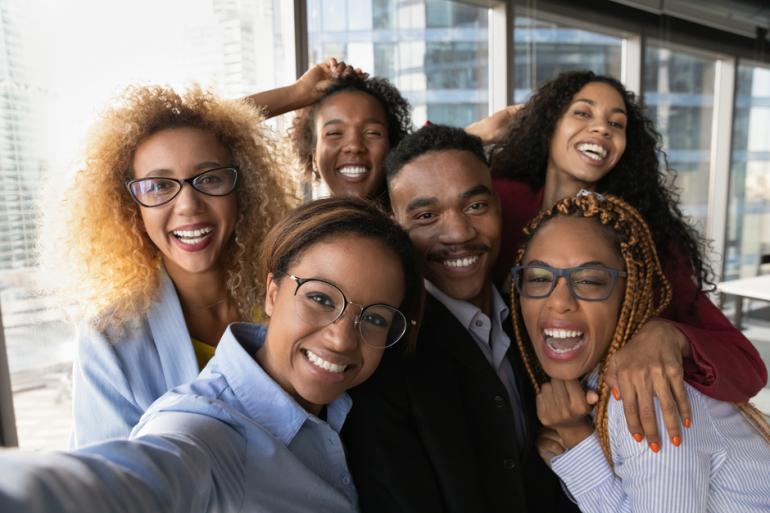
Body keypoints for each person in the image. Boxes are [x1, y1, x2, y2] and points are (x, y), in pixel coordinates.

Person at [0, 197, 424, 513]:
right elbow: (138, 476)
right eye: (319, 298)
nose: (341, 340)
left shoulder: (352, 407)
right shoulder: (208, 427)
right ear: (272, 294)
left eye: (374, 319)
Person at [489, 71, 767, 448]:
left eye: (616, 123)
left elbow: (745, 365)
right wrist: (481, 133)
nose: (601, 129)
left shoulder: (643, 241)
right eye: (583, 113)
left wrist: (670, 336)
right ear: (548, 125)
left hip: (595, 435)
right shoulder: (500, 202)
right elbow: (410, 189)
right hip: (497, 411)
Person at [37, 85, 293, 447]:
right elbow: (110, 483)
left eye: (209, 179)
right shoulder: (110, 337)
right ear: (131, 208)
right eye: (158, 185)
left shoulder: (290, 293)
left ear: (243, 191)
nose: (188, 205)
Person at [343, 124, 579, 513]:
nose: (457, 232)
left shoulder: (538, 319)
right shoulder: (383, 360)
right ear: (396, 227)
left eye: (475, 206)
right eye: (426, 215)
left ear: (499, 209)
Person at [510, 190, 770, 513]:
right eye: (537, 278)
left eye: (590, 281)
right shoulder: (595, 381)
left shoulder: (647, 394)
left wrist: (575, 442)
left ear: (629, 291)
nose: (559, 301)